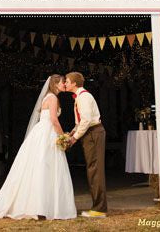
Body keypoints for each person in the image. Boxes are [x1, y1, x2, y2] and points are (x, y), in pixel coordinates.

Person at [0, 74, 77, 220]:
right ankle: (44, 206)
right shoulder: (53, 98)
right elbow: (53, 119)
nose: (64, 84)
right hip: (47, 133)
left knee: (39, 167)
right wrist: (63, 136)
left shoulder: (47, 97)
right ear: (55, 84)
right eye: (62, 82)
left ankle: (39, 205)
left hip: (41, 133)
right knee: (46, 167)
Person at [65, 71, 107, 218]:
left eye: (67, 81)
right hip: (90, 132)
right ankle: (98, 207)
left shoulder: (84, 97)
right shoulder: (79, 97)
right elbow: (81, 121)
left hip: (93, 133)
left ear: (74, 83)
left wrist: (74, 138)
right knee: (92, 169)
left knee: (95, 170)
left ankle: (99, 209)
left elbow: (87, 120)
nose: (65, 83)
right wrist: (72, 132)